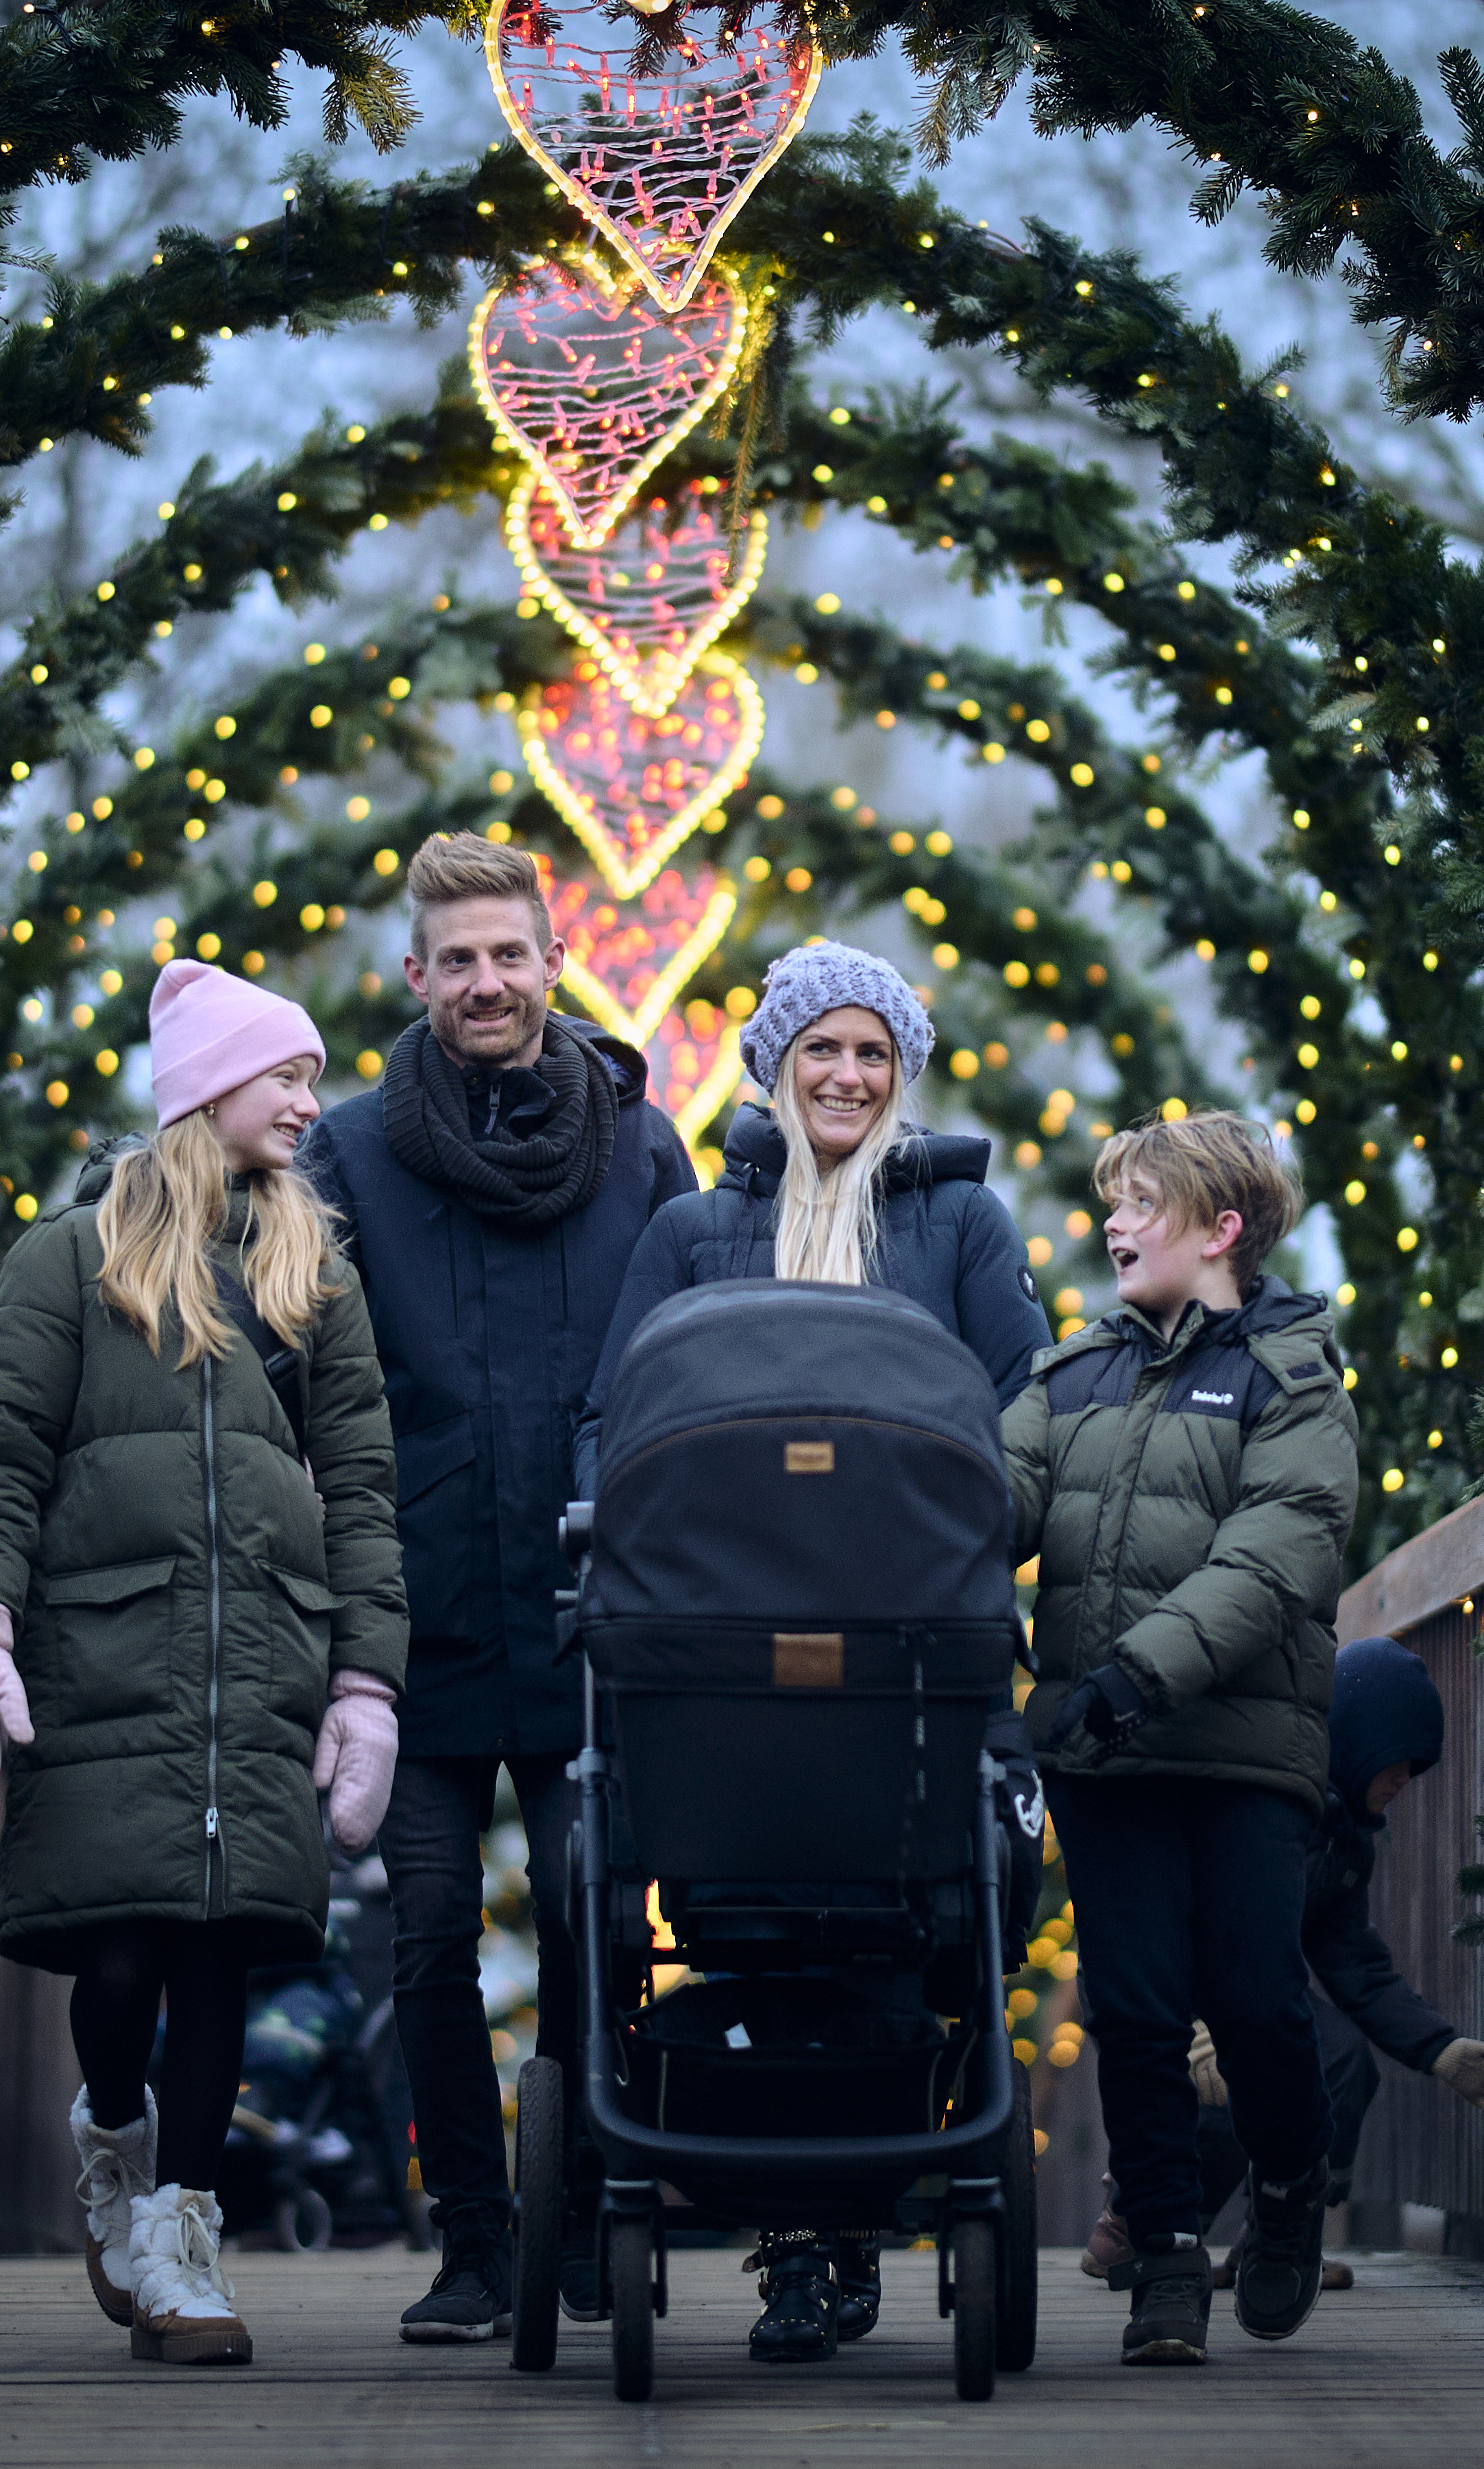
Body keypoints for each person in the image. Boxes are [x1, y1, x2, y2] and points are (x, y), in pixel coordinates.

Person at [576, 940, 1051, 2364]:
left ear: (900, 1074)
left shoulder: (958, 1225)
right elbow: (616, 1426)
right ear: (775, 1065)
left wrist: (974, 1534)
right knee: (713, 1877)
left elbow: (1018, 1418)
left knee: (921, 1895)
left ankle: (838, 2225)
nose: (845, 1076)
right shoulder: (693, 1233)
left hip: (902, 1651)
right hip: (720, 1657)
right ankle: (796, 2231)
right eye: (821, 1051)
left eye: (872, 1055)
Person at [0, 960, 409, 2368]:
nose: (312, 1104)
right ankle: (114, 2137)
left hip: (257, 1665)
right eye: (289, 1076)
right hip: (106, 1659)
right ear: (208, 1087)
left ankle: (187, 2239)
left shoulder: (310, 1274)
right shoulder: (66, 1259)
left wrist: (365, 1682)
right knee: (126, 1948)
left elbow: (366, 1491)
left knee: (224, 1952)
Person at [294, 833, 698, 2342]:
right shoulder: (346, 1154)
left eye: (506, 953)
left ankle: (585, 2225)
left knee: (608, 1919)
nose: (483, 981)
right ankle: (472, 2238)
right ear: (415, 976)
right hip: (412, 1614)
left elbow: (685, 1364)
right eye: (453, 958)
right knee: (422, 1934)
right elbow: (292, 1367)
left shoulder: (643, 1150)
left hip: (596, 1608)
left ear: (549, 960)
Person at [1006, 1108, 1359, 2367]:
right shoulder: (1068, 1374)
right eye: (1112, 1202)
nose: (1112, 1223)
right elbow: (990, 1500)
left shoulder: (1292, 1379)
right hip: (1108, 1755)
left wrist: (1128, 1676)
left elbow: (1275, 1554)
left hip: (1238, 1747)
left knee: (1255, 1996)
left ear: (1220, 1228)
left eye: (1139, 1204)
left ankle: (1282, 2182)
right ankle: (1163, 2256)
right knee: (1137, 2009)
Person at [1082, 1635, 1484, 2285]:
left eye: (1415, 1769)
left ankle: (1281, 2232)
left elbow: (1355, 1964)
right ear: (1354, 1741)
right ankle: (1138, 2222)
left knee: (1339, 2060)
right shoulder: (1257, 1804)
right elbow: (1156, 1916)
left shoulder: (1343, 1844)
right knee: (1223, 2080)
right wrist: (1193, 2025)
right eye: (1395, 1761)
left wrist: (1439, 2050)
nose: (1404, 1781)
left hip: (1246, 1989)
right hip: (1156, 1983)